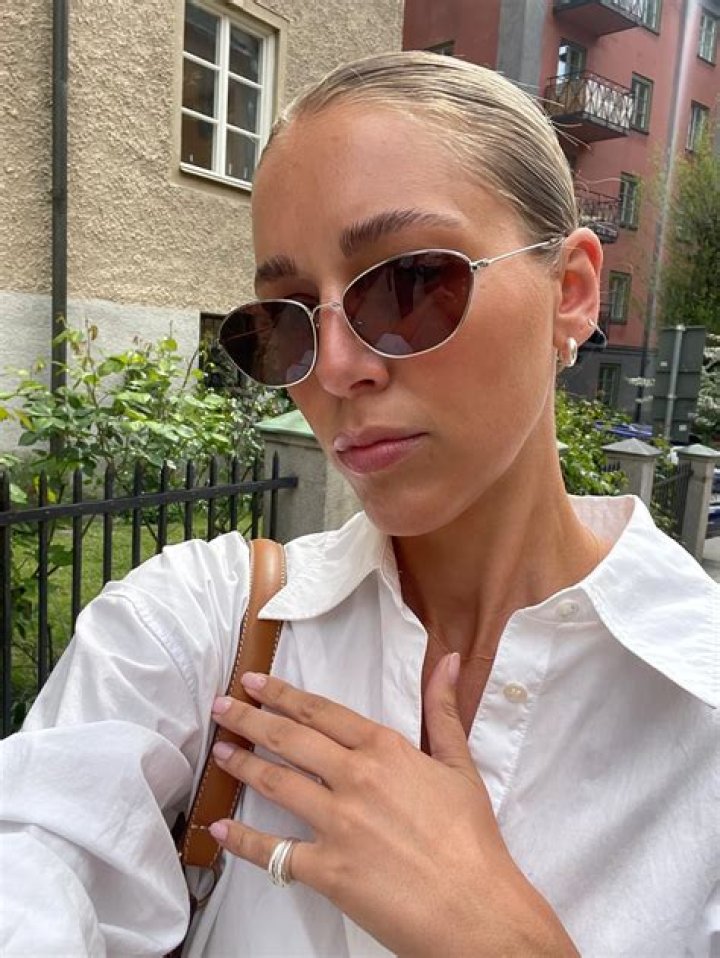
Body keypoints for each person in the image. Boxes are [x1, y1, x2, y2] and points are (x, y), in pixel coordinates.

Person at [0, 51, 717, 957]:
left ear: (570, 293)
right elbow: (39, 856)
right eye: (287, 318)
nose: (336, 369)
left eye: (409, 284)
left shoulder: (699, 710)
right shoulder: (210, 628)